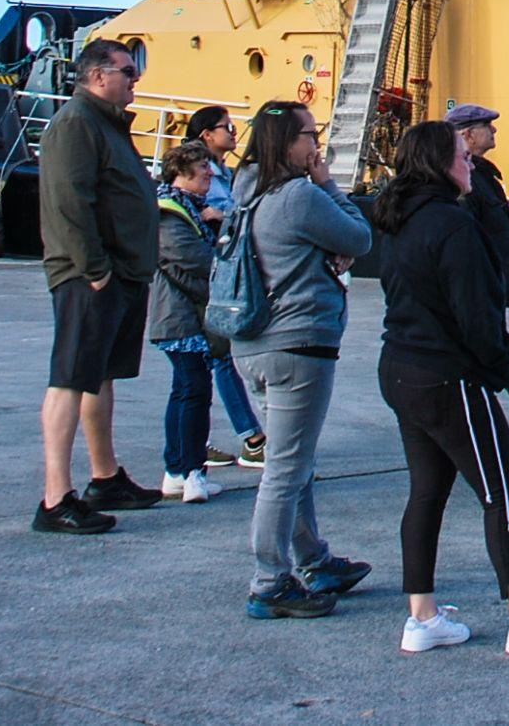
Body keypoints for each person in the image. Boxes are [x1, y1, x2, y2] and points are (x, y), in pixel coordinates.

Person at [372, 120, 509, 657]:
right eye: (461, 156)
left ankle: (421, 615)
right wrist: (498, 366)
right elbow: (476, 312)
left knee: (427, 491)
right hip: (446, 374)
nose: (469, 163)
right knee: (502, 492)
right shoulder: (451, 223)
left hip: (401, 365)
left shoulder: (399, 217)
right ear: (438, 163)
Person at [229, 100, 374, 619]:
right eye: (309, 135)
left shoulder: (246, 191)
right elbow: (360, 235)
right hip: (297, 343)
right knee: (287, 470)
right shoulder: (296, 197)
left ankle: (313, 557)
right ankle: (270, 581)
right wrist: (328, 184)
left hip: (253, 343)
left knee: (292, 462)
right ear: (285, 143)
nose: (316, 144)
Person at [35, 37, 165, 534]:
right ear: (96, 77)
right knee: (70, 377)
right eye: (127, 71)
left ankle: (104, 476)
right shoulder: (75, 125)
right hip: (90, 278)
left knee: (99, 374)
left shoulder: (105, 125)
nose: (135, 79)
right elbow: (70, 203)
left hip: (120, 274)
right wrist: (95, 271)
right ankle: (54, 498)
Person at [184, 104, 268, 474]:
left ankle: (197, 440)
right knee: (218, 357)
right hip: (206, 275)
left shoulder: (225, 172)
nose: (233, 133)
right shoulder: (197, 175)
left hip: (226, 272)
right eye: (227, 127)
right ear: (206, 135)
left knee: (212, 359)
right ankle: (250, 439)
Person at [148, 144, 225, 504]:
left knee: (184, 389)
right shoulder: (170, 212)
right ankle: (193, 471)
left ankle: (176, 469)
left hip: (183, 315)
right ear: (181, 170)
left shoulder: (192, 210)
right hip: (180, 318)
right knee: (194, 391)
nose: (209, 172)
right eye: (201, 166)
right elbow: (196, 260)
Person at [448, 103, 509, 311]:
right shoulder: (465, 181)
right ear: (468, 135)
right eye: (487, 124)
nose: (494, 129)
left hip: (491, 287)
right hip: (481, 292)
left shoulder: (483, 175)